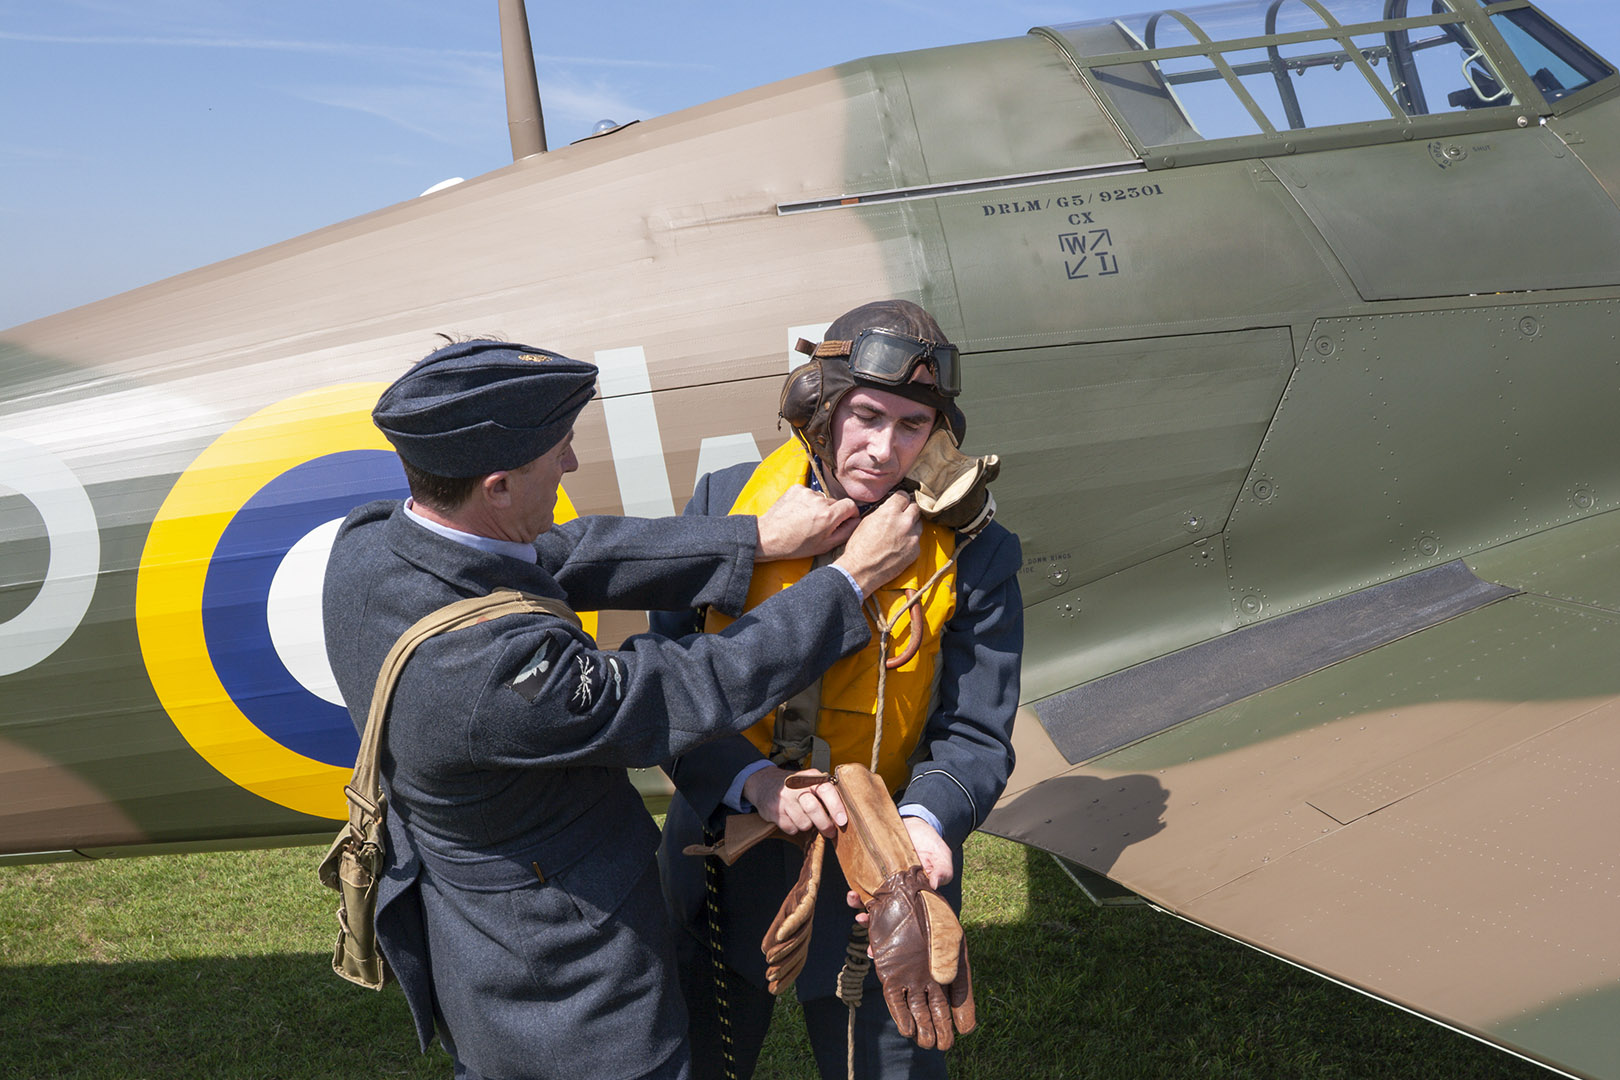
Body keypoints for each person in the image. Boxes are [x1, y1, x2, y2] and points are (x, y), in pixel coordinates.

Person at [321, 338, 923, 1080]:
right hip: (571, 998)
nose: (570, 465)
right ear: (499, 487)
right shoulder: (494, 680)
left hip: (480, 948)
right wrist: (848, 582)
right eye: (558, 452)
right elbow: (687, 684)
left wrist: (752, 537)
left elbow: (561, 554)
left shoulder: (375, 544)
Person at [654, 301, 1023, 1079]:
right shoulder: (727, 507)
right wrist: (748, 781)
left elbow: (976, 731)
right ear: (819, 407)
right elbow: (669, 668)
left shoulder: (974, 551)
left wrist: (924, 826)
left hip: (879, 876)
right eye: (865, 416)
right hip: (724, 850)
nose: (883, 449)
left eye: (912, 427)